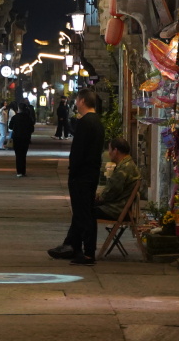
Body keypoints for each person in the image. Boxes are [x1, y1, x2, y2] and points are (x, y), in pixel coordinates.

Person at [47, 89, 103, 265]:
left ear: (83, 101)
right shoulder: (97, 122)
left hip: (82, 175)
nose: (76, 103)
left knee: (84, 213)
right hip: (91, 173)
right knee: (81, 212)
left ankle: (88, 253)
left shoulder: (86, 122)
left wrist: (73, 171)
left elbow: (78, 151)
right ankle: (73, 246)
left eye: (77, 100)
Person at [95, 138, 140, 219]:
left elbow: (112, 191)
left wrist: (100, 197)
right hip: (119, 207)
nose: (109, 153)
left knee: (84, 211)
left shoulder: (124, 168)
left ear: (115, 151)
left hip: (115, 209)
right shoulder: (128, 164)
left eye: (110, 149)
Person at [8, 101, 35, 177]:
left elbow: (10, 127)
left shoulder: (15, 117)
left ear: (19, 109)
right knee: (23, 155)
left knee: (18, 155)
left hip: (17, 138)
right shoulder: (29, 118)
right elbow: (32, 129)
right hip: (26, 138)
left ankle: (19, 171)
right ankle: (23, 171)